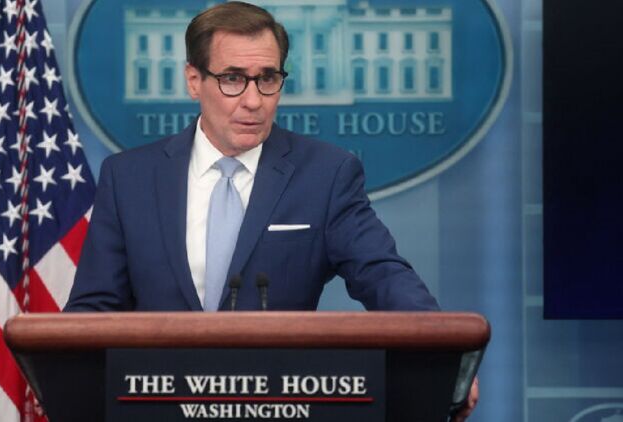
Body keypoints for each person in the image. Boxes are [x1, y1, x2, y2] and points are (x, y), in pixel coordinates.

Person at [64, 2, 477, 418]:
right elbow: (94, 310)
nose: (253, 100)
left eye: (267, 79)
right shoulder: (129, 178)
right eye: (232, 79)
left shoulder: (326, 174)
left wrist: (443, 354)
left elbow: (383, 274)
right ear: (194, 80)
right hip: (153, 406)